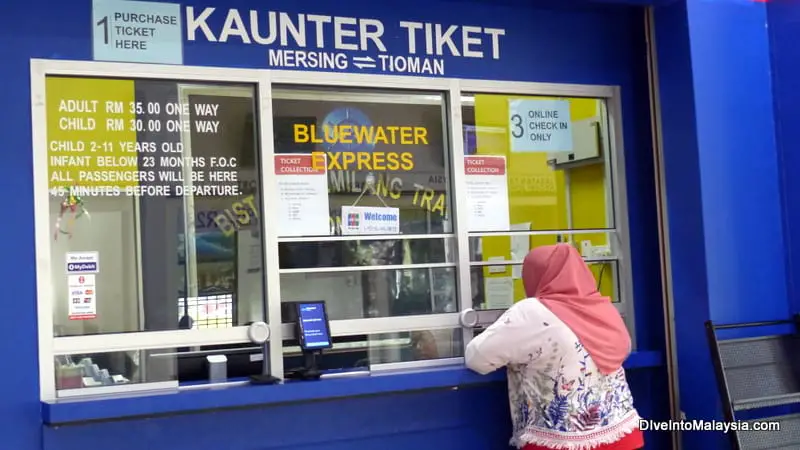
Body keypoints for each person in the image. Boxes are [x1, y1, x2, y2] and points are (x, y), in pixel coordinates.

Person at [465, 244, 643, 450]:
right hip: (624, 438)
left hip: (561, 443)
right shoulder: (603, 307)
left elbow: (477, 357)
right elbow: (624, 348)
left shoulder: (532, 312)